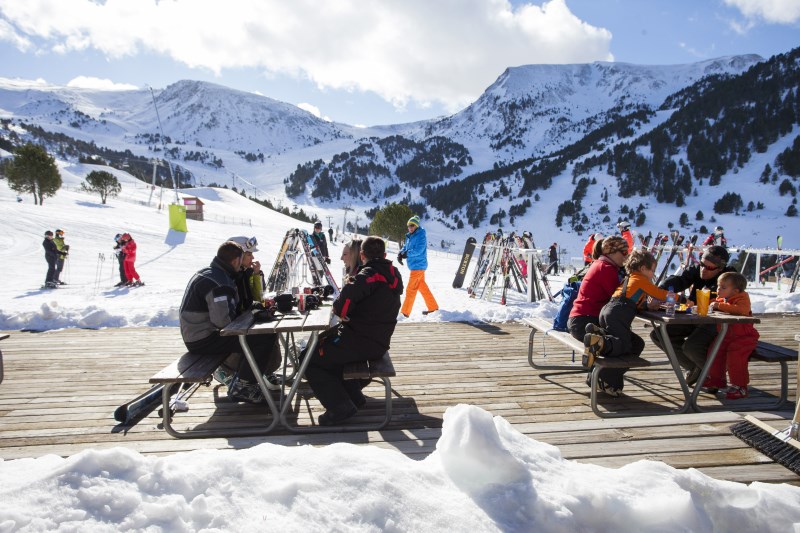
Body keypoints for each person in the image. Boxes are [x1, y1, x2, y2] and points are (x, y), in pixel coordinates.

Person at [304, 236, 404, 425]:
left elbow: (341, 308)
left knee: (310, 359)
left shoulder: (367, 275)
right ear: (384, 255)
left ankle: (339, 407)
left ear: (363, 255)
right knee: (324, 350)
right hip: (379, 342)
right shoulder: (393, 274)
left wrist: (345, 309)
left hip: (359, 341)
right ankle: (353, 396)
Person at [179, 240, 280, 403]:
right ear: (235, 261)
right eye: (242, 260)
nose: (242, 266)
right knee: (264, 337)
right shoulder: (219, 283)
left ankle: (249, 378)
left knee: (260, 335)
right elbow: (224, 323)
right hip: (202, 339)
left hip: (197, 334)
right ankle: (244, 386)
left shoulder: (212, 273)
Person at [649, 245, 736, 385]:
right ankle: (696, 368)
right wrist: (660, 291)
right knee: (659, 335)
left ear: (720, 268)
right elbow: (679, 280)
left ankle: (713, 376)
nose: (704, 269)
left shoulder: (729, 278)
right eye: (702, 264)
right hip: (695, 317)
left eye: (710, 268)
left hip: (717, 322)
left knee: (692, 346)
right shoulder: (697, 270)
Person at [583, 250, 667, 371]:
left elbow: (632, 299)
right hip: (618, 314)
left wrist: (647, 306)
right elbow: (659, 293)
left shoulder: (628, 279)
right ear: (643, 268)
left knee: (630, 343)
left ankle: (599, 333)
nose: (653, 274)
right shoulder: (641, 280)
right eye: (652, 270)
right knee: (624, 344)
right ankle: (600, 341)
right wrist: (680, 298)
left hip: (607, 310)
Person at [567, 236, 629, 394]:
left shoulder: (601, 264)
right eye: (623, 251)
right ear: (612, 252)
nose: (626, 255)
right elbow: (617, 299)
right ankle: (603, 379)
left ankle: (602, 379)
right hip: (586, 322)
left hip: (582, 319)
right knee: (627, 343)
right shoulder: (606, 269)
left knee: (625, 340)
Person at [701, 272, 759, 400]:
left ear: (735, 291)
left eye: (723, 287)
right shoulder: (722, 299)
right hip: (726, 335)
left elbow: (741, 310)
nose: (718, 289)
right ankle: (717, 379)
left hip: (744, 337)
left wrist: (719, 306)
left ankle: (740, 386)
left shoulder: (742, 299)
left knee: (736, 355)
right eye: (718, 286)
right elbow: (713, 303)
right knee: (714, 350)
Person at [398, 215, 439, 317]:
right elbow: (405, 247)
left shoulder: (421, 235)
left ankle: (405, 313)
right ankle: (433, 307)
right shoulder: (410, 236)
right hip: (415, 266)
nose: (410, 227)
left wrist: (407, 254)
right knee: (422, 287)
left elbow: (419, 250)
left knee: (410, 289)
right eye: (409, 226)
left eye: (412, 225)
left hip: (418, 266)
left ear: (416, 226)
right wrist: (400, 253)